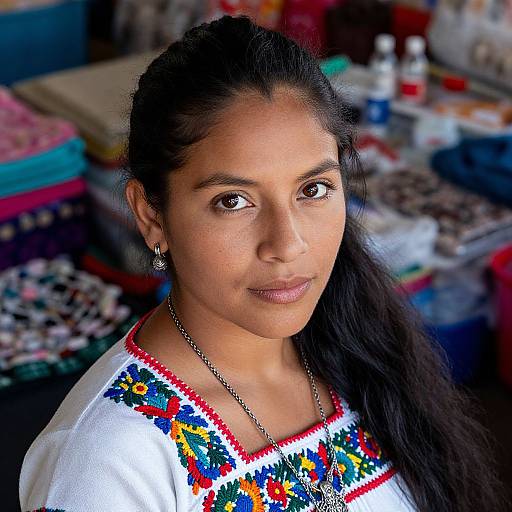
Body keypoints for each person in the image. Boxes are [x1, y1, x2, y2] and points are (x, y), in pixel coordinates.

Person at [19, 14, 508, 512]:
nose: (287, 243)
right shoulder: (108, 462)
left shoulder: (361, 356)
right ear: (152, 214)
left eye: (312, 190)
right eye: (233, 201)